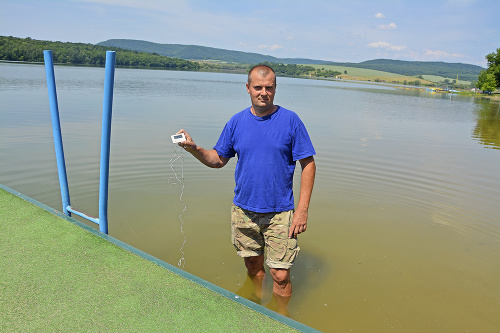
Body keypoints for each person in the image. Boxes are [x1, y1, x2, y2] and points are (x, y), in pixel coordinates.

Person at [177, 64, 316, 315]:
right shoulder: (237, 122)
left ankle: (280, 320)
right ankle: (254, 310)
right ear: (248, 88)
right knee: (253, 267)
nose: (264, 92)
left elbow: (308, 164)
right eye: (258, 87)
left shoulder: (291, 121)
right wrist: (194, 148)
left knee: (280, 274)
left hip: (280, 212)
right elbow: (218, 159)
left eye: (269, 87)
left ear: (275, 88)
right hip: (244, 210)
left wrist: (302, 211)